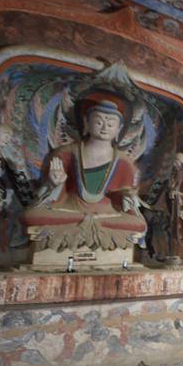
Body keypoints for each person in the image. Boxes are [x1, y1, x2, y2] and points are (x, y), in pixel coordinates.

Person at [21, 97, 147, 251]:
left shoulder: (125, 162)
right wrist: (52, 184)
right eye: (99, 122)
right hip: (69, 209)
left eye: (110, 124)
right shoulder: (65, 154)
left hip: (108, 213)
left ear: (119, 130)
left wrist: (128, 197)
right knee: (31, 216)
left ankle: (86, 223)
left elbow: (128, 206)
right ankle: (86, 221)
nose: (104, 127)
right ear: (87, 123)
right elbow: (48, 199)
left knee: (139, 224)